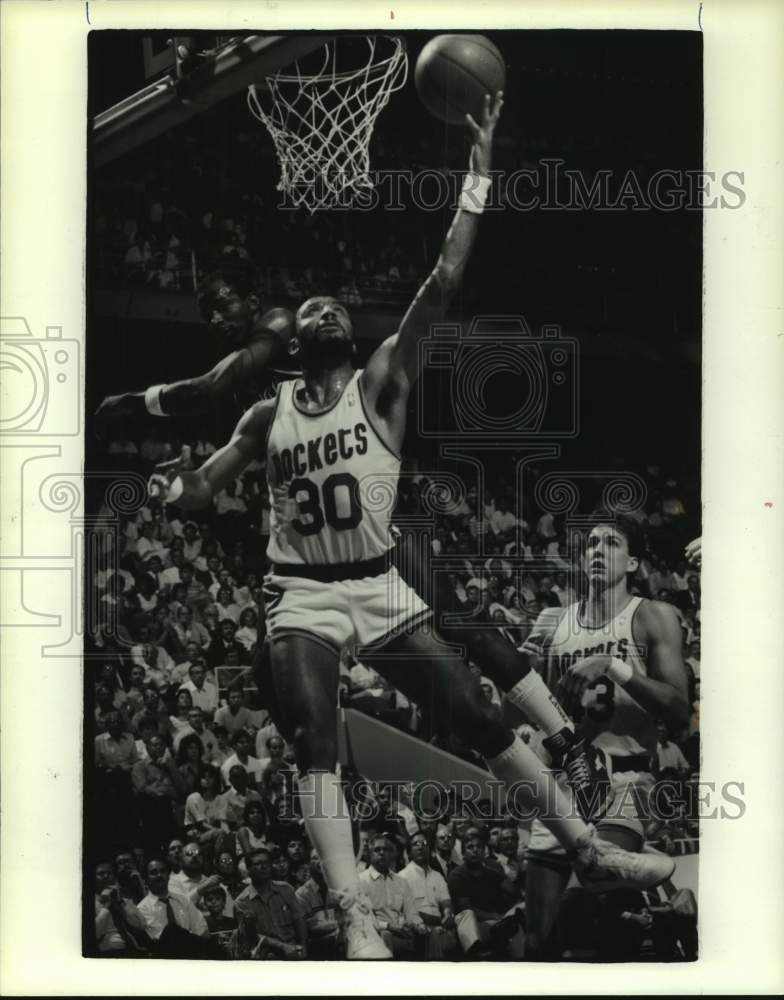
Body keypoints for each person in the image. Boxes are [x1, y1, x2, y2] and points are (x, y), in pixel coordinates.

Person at [146, 92, 673, 960]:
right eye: (307, 308)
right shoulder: (263, 415)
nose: (320, 308)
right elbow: (204, 488)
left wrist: (479, 172)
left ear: (349, 337)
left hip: (377, 580)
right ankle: (356, 915)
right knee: (317, 735)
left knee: (473, 709)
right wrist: (173, 493)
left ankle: (584, 846)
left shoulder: (382, 382)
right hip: (301, 596)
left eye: (332, 307)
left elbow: (443, 280)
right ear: (291, 344)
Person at [521, 515, 691, 959]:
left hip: (623, 783)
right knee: (539, 944)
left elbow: (677, 709)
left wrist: (612, 665)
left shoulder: (653, 616)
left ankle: (651, 915)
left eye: (611, 542)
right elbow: (512, 712)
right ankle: (661, 908)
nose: (597, 549)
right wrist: (517, 675)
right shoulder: (552, 620)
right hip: (560, 785)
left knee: (584, 911)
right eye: (591, 543)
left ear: (632, 561)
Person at [359, 836, 428, 958]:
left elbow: (411, 912)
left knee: (428, 934)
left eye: (385, 850)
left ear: (391, 854)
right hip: (377, 932)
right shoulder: (361, 881)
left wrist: (419, 925)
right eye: (377, 850)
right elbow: (363, 919)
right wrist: (389, 926)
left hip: (402, 930)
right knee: (386, 935)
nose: (382, 853)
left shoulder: (401, 881)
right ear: (369, 855)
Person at [234, 848, 308, 959]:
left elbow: (299, 920)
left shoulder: (286, 889)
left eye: (266, 862)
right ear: (249, 869)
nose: (263, 867)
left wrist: (303, 947)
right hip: (264, 955)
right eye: (258, 864)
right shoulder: (241, 902)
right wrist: (284, 947)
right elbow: (251, 936)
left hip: (293, 949)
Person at [398, 831, 459, 959]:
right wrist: (439, 922)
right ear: (409, 852)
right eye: (416, 844)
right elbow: (407, 912)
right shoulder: (402, 877)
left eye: (424, 844)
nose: (421, 847)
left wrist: (448, 914)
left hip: (441, 923)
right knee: (434, 934)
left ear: (430, 850)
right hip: (418, 926)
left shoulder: (437, 876)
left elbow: (446, 902)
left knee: (465, 917)